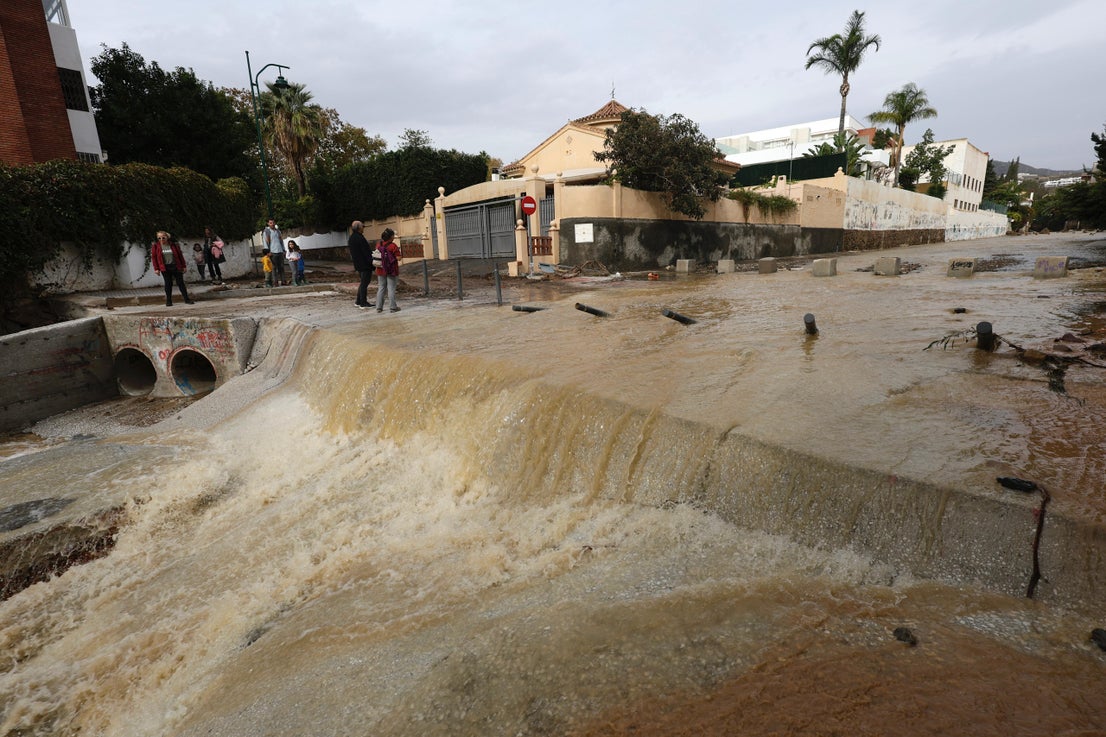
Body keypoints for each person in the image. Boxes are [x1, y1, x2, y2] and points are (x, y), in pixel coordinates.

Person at [151, 231, 194, 306]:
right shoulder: (156, 246)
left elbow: (180, 256)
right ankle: (169, 300)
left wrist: (183, 266)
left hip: (176, 266)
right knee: (168, 284)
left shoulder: (173, 245)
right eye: (159, 238)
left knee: (180, 283)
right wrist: (156, 269)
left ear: (167, 237)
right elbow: (154, 258)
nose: (161, 239)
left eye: (163, 237)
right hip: (165, 267)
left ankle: (187, 299)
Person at [347, 220, 374, 309]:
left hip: (358, 264)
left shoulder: (352, 238)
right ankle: (363, 302)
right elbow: (366, 252)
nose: (364, 228)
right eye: (363, 226)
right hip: (364, 264)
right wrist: (372, 263)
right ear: (359, 228)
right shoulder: (359, 238)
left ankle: (358, 301)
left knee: (363, 283)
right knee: (364, 283)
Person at [374, 227, 401, 313]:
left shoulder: (378, 245)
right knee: (391, 288)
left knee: (381, 288)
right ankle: (393, 307)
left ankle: (379, 307)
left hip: (380, 269)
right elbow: (399, 258)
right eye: (393, 235)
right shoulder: (393, 246)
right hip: (391, 270)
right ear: (391, 237)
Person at [263, 218, 287, 286]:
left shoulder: (278, 231)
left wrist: (283, 250)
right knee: (274, 268)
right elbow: (265, 242)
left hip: (280, 251)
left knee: (281, 267)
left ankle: (283, 281)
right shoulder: (266, 232)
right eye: (271, 223)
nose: (272, 224)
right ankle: (275, 281)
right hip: (272, 252)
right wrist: (267, 252)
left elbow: (281, 241)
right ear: (268, 223)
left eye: (273, 223)